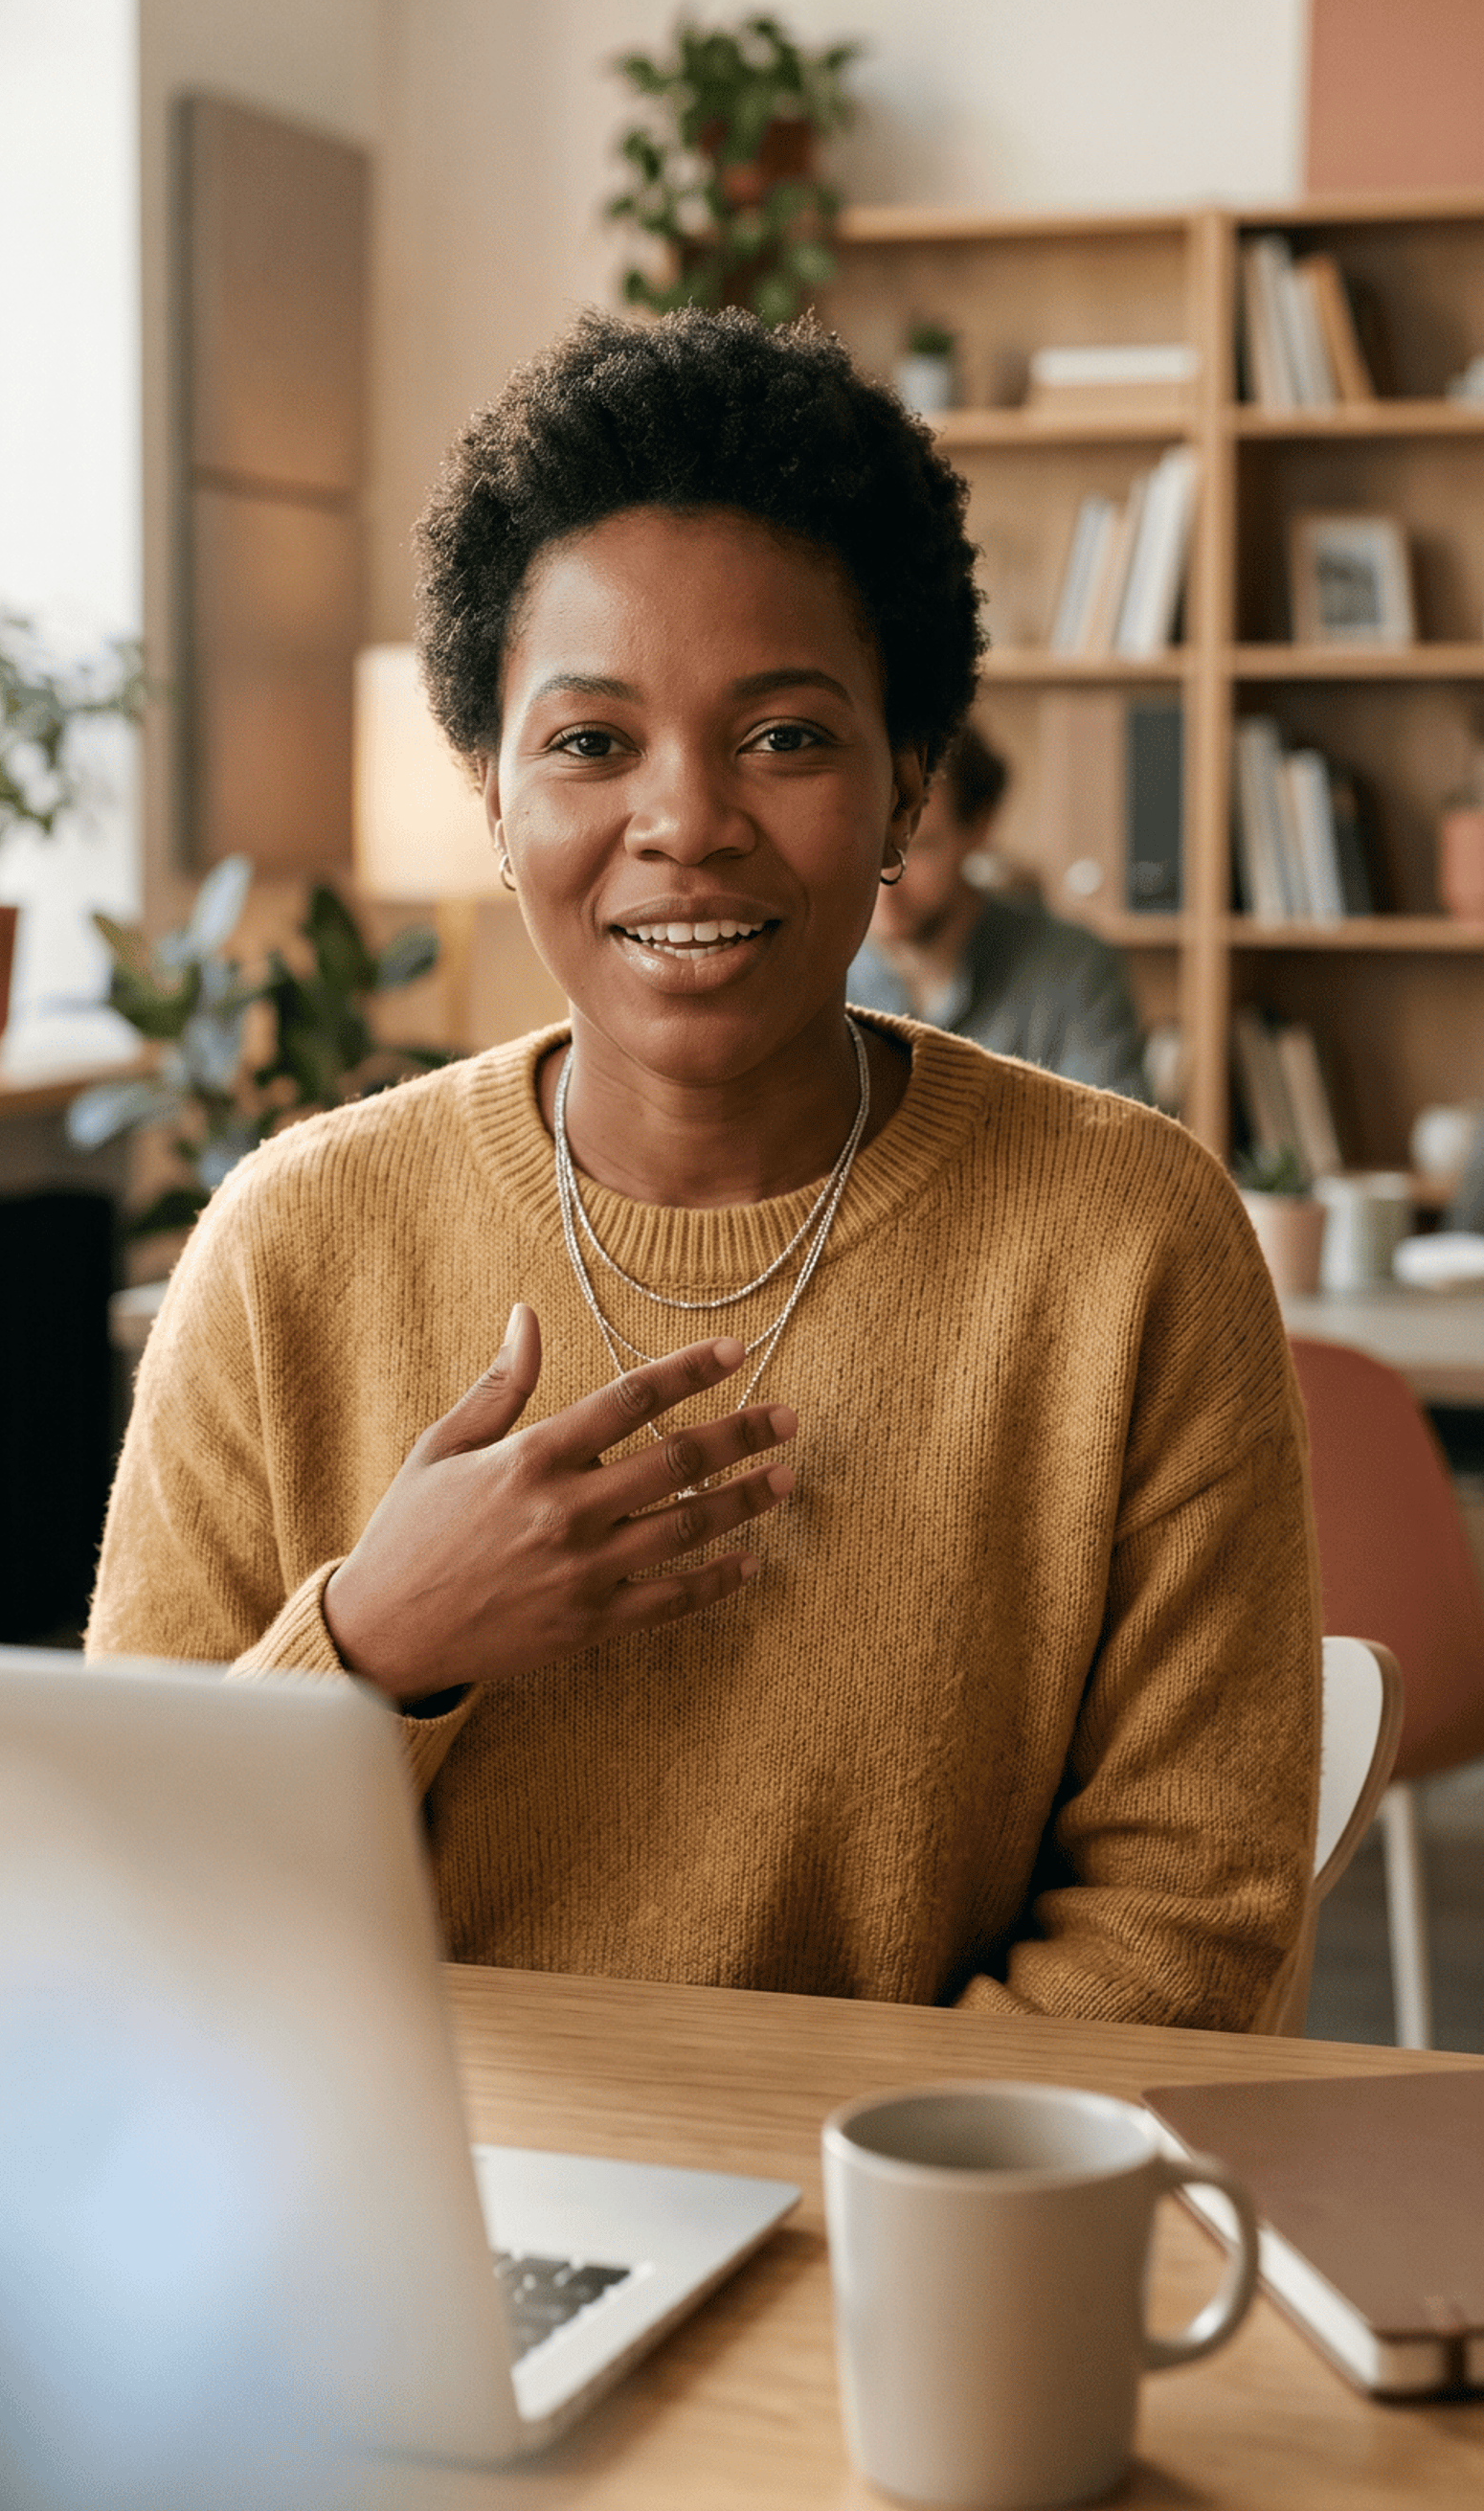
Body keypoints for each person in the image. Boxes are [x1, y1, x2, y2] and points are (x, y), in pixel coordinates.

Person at [90, 307, 1316, 2026]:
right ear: (494, 798)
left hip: (917, 2230)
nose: (687, 819)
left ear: (908, 787)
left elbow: (1194, 1910)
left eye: (785, 737)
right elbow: (136, 1900)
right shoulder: (293, 1241)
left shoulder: (1129, 1240)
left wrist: (862, 2206)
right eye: (592, 742)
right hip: (414, 2214)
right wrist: (374, 1644)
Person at [848, 720, 1151, 1096]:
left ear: (980, 828)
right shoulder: (816, 973)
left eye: (917, 847)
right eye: (863, 844)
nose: (885, 880)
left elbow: (1116, 1144)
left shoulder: (1074, 968)